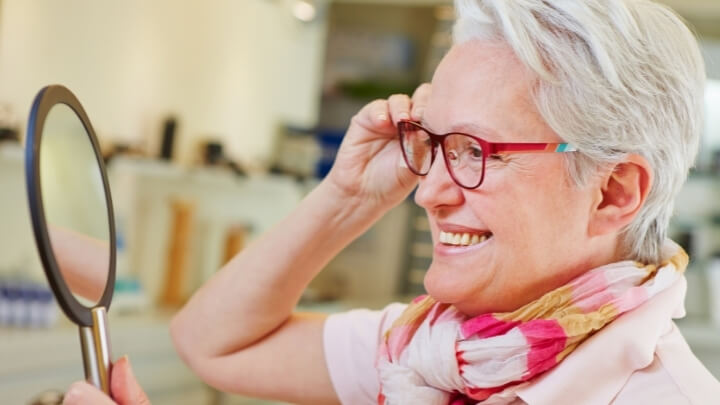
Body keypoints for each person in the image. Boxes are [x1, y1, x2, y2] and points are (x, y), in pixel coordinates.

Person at [67, 0, 720, 403]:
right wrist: (347, 197)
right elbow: (210, 341)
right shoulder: (430, 350)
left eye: (474, 150)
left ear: (612, 192)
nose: (429, 192)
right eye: (432, 142)